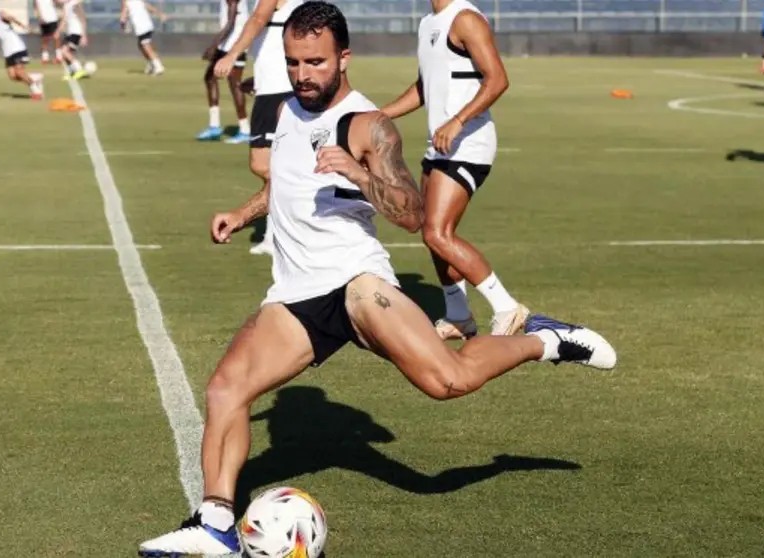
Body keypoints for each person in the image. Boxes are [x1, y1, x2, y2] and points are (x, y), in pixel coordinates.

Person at [137, 3, 617, 555]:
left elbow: (413, 214)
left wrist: (360, 172)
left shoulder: (368, 124)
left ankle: (544, 340)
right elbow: (286, 185)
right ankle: (216, 523)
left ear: (344, 57)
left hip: (356, 282)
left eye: (315, 62)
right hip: (296, 292)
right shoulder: (282, 110)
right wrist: (243, 214)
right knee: (226, 389)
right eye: (293, 63)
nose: (302, 74)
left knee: (448, 382)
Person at [381, 0, 527, 340]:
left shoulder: (466, 19)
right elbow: (423, 87)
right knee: (431, 235)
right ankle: (459, 316)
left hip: (469, 143)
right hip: (441, 145)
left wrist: (458, 120)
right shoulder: (428, 23)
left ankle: (507, 307)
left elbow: (498, 79)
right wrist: (380, 115)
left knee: (437, 232)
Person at [213, 0, 308, 256]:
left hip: (278, 91)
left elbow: (257, 20)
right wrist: (260, 78)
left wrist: (232, 55)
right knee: (272, 166)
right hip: (274, 86)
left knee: (267, 166)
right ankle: (279, 232)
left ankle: (282, 232)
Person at [196, 0, 251, 144]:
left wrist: (213, 45)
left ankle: (245, 130)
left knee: (235, 85)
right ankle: (214, 126)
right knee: (210, 77)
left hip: (236, 45)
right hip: (226, 44)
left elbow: (231, 23)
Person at [0, 0, 44, 100]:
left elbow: (11, 18)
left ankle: (35, 90)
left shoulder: (0, 13)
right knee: (12, 76)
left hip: (16, 46)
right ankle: (34, 78)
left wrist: (23, 25)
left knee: (19, 72)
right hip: (7, 50)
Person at [120, 0, 167, 75]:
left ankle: (158, 66)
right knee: (141, 45)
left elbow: (124, 12)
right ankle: (152, 64)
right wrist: (160, 14)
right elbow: (148, 6)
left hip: (141, 26)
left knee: (146, 45)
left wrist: (123, 24)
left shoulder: (127, 2)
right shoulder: (138, 1)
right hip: (147, 25)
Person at [59, 0, 89, 80]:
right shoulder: (66, 6)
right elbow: (64, 20)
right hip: (70, 32)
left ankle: (79, 70)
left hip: (77, 31)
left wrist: (84, 35)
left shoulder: (75, 4)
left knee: (65, 51)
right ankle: (71, 72)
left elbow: (83, 19)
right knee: (63, 53)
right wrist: (58, 31)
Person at [33, 0, 62, 64]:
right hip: (43, 20)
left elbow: (58, 3)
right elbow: (36, 7)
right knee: (45, 39)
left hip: (53, 18)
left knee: (56, 37)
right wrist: (39, 17)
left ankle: (59, 57)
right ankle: (45, 58)